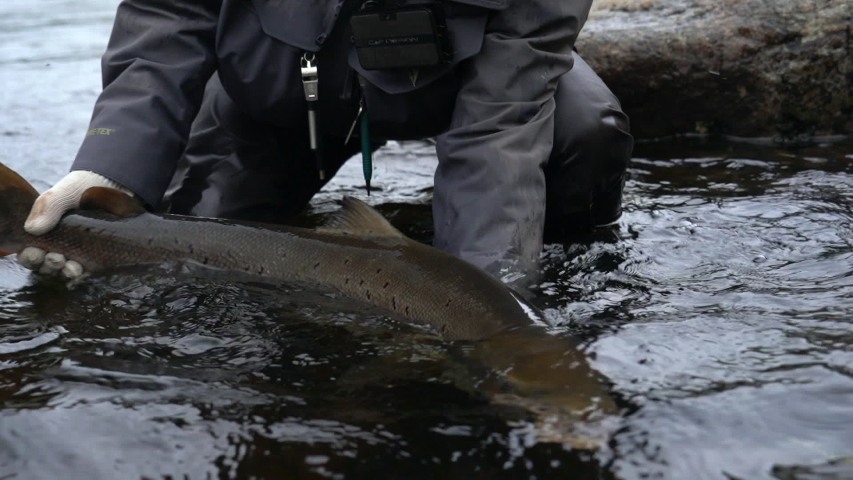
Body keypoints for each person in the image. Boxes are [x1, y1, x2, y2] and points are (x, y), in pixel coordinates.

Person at [18, 0, 633, 284]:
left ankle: (555, 264)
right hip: (276, 109)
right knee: (186, 249)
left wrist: (487, 298)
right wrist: (108, 172)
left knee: (583, 131)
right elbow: (167, 26)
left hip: (465, 98)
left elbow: (498, 129)